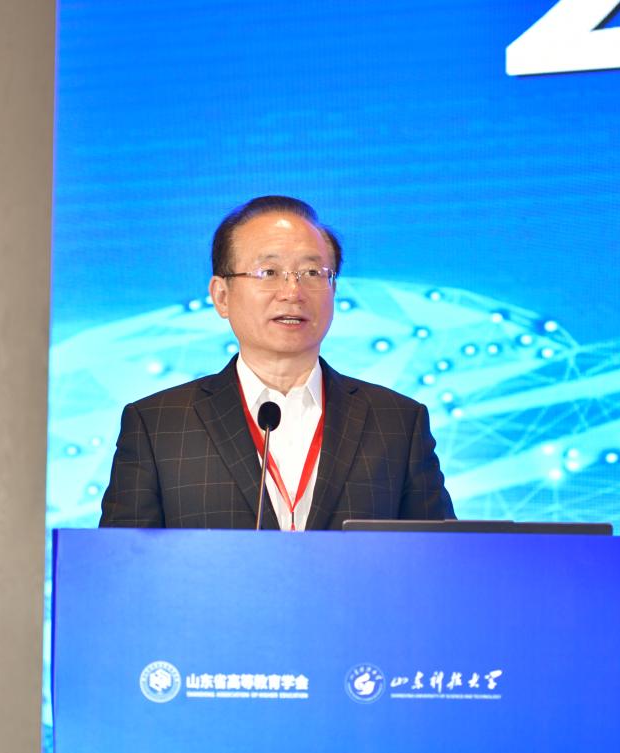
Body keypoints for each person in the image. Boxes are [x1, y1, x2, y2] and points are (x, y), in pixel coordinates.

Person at [99, 196, 453, 530]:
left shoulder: (397, 422)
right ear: (221, 296)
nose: (292, 292)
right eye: (268, 272)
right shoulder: (158, 425)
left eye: (312, 273)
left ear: (334, 290)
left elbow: (445, 559)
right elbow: (120, 563)